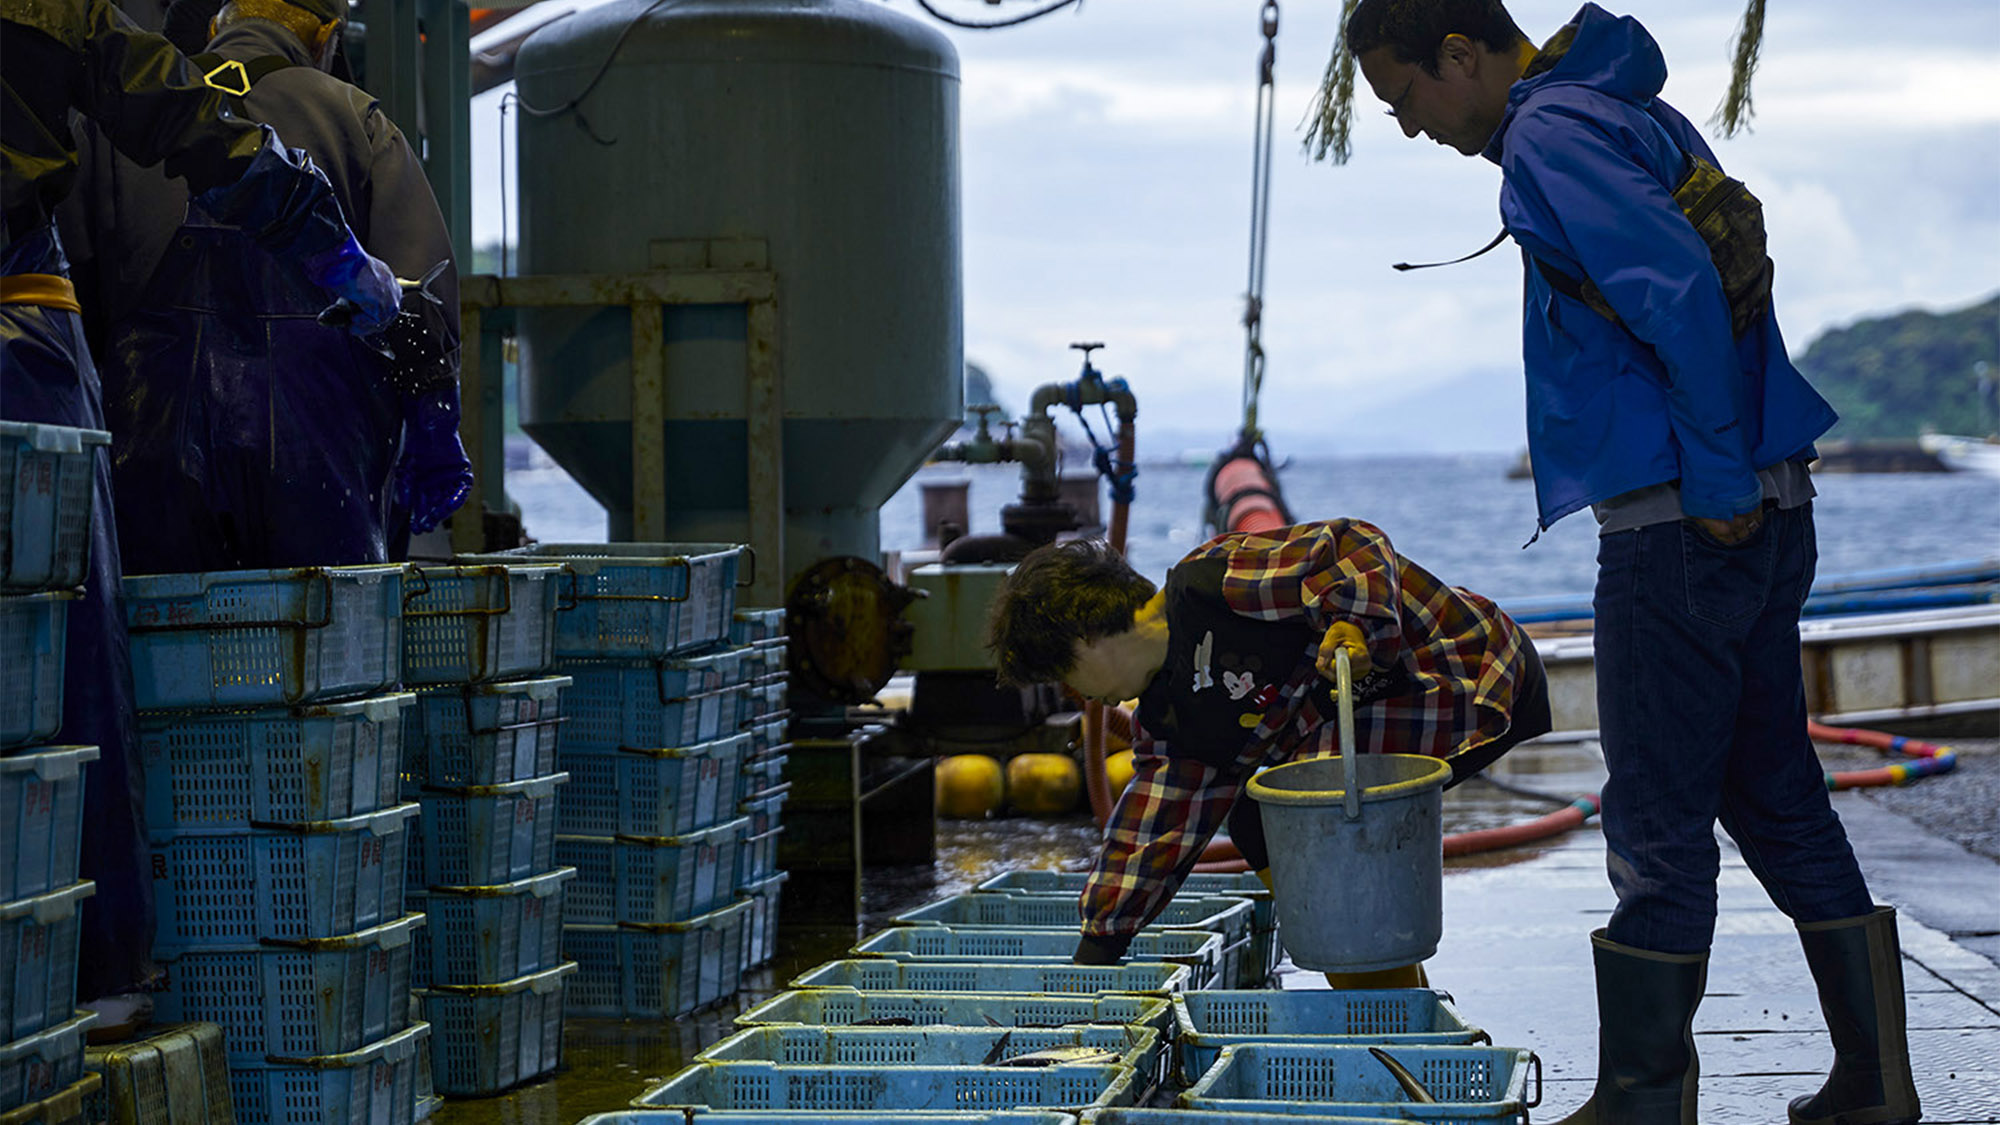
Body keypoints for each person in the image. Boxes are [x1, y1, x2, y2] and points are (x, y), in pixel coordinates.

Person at [1341, 2, 1916, 1123]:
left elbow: (1677, 293)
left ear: (1457, 55)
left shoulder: (1551, 134)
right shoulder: (1625, 108)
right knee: (1776, 795)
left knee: (1652, 819)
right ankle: (1873, 1081)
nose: (1408, 128)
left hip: (1678, 523)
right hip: (1765, 495)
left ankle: (1643, 1099)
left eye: (1403, 98)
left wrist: (1706, 494)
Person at [2, 0, 401, 1040]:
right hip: (20, 340)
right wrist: (331, 253)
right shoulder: (350, 115)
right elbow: (182, 115)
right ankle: (98, 971)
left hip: (123, 393)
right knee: (69, 656)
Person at [985, 521, 1550, 987]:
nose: (1082, 698)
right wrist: (1094, 959)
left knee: (1309, 817)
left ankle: (1390, 1013)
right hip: (1379, 742)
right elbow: (1148, 833)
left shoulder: (1213, 584)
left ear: (1087, 636)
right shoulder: (1170, 725)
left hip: (1474, 674)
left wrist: (1354, 625)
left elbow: (1350, 545)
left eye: (1068, 676)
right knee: (1260, 819)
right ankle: (1395, 1008)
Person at [60, 0, 472, 572]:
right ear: (328, 39)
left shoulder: (121, 122)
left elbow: (72, 295)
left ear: (215, 28)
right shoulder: (357, 119)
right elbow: (420, 306)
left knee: (162, 642)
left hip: (150, 464)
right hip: (318, 469)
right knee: (324, 641)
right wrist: (436, 432)